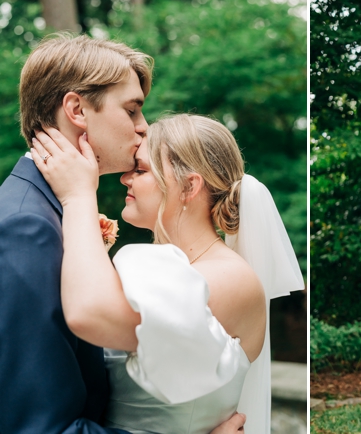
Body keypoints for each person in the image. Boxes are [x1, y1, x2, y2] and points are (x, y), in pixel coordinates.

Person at [0, 33, 241, 433]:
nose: (144, 128)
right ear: (77, 109)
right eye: (132, 111)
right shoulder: (26, 227)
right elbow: (39, 426)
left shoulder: (56, 214)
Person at [30, 112, 303, 433]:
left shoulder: (230, 279)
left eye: (141, 170)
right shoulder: (175, 272)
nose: (124, 178)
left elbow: (89, 313)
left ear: (189, 186)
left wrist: (78, 196)